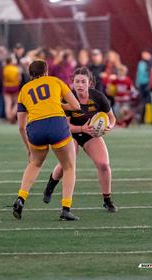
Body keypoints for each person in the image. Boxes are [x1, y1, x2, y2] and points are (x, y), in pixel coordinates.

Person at [12, 60, 81, 221]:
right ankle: (66, 208)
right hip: (57, 124)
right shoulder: (55, 81)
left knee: (35, 163)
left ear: (30, 75)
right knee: (69, 166)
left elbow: (21, 126)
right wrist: (58, 104)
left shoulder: (24, 90)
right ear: (46, 71)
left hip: (35, 128)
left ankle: (20, 198)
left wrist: (28, 147)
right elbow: (76, 106)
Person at [42, 67, 117, 212]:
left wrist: (109, 126)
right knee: (67, 164)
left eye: (83, 81)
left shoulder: (98, 97)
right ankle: (50, 185)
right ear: (73, 83)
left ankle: (107, 200)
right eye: (77, 81)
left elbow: (112, 118)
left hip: (91, 134)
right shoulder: (68, 98)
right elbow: (65, 125)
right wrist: (82, 128)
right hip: (71, 133)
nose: (80, 85)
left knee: (104, 165)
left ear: (89, 83)